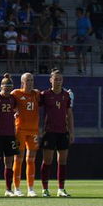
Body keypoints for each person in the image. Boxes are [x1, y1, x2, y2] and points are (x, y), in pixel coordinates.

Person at [38, 67, 75, 197]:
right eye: (55, 79)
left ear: (62, 81)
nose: (58, 81)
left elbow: (69, 114)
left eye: (60, 79)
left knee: (62, 161)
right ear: (50, 80)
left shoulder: (66, 96)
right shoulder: (45, 95)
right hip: (49, 131)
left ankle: (61, 189)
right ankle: (45, 189)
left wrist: (71, 132)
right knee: (47, 160)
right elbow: (35, 109)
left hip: (62, 131)